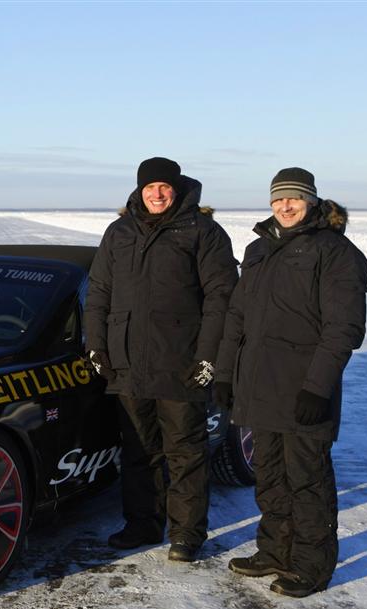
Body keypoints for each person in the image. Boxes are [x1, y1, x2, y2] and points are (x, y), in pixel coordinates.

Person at [215, 168, 367, 598]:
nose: (285, 206)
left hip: (303, 389)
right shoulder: (260, 249)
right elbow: (237, 318)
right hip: (258, 385)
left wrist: (317, 388)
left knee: (307, 480)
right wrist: (226, 374)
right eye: (278, 199)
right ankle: (275, 551)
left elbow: (344, 328)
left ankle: (310, 566)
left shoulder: (334, 252)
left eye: (294, 199)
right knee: (269, 475)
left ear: (311, 201)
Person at [84, 157, 237, 562]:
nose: (156, 193)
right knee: (138, 450)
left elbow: (222, 298)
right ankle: (142, 524)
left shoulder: (201, 231)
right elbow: (98, 292)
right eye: (149, 187)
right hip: (128, 361)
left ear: (177, 188)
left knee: (185, 452)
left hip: (180, 362)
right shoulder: (119, 232)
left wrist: (209, 358)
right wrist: (97, 347)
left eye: (163, 187)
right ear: (139, 190)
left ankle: (187, 535)